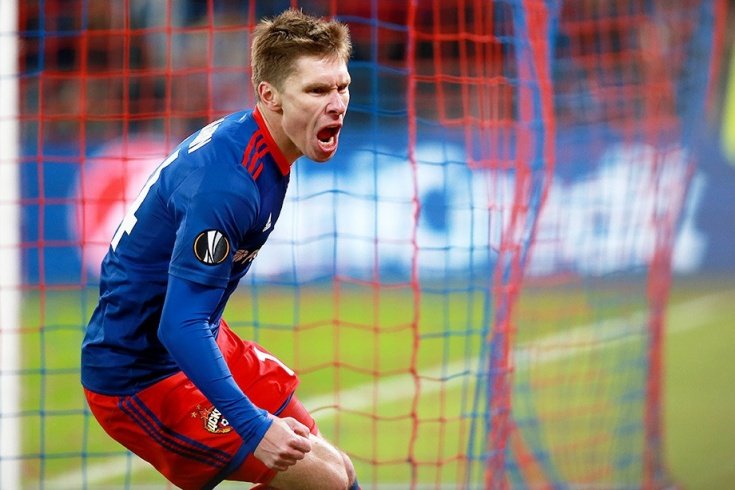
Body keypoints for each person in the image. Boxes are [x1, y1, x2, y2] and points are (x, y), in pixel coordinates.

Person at [81, 9, 358, 490]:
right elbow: (178, 323)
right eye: (317, 90)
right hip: (140, 374)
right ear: (269, 96)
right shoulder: (229, 184)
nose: (336, 104)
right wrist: (255, 427)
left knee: (340, 472)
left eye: (342, 86)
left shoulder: (261, 149)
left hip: (202, 337)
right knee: (326, 480)